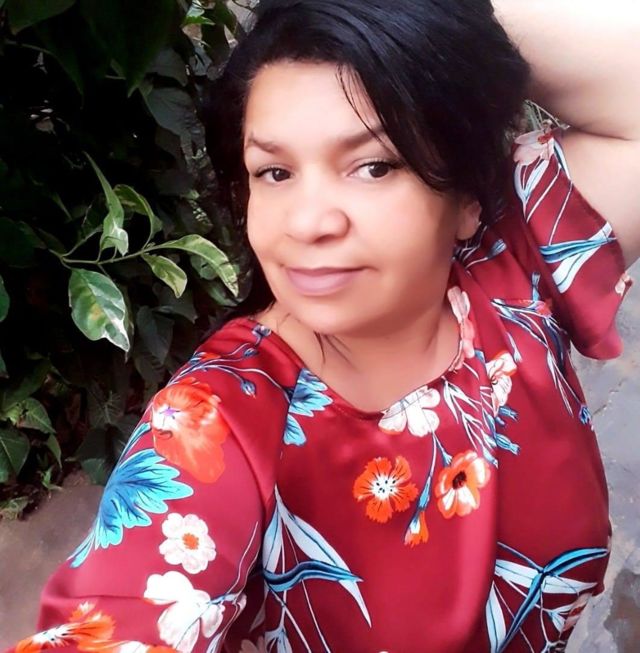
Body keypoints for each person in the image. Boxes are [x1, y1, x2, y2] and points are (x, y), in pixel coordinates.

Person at [11, 1, 640, 652]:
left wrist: (410, 22)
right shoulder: (215, 430)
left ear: (466, 197)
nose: (308, 222)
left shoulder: (517, 266)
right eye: (275, 172)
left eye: (373, 166)